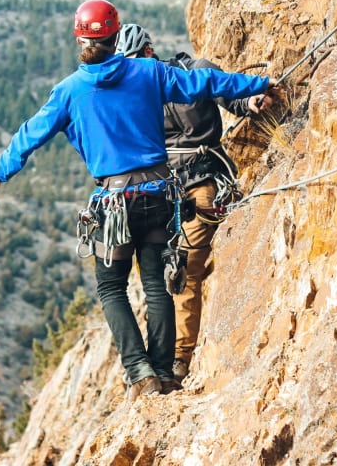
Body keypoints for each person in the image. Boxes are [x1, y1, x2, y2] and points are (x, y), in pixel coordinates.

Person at [0, 0, 276, 401]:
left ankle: (139, 372)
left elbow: (31, 134)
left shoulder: (68, 92)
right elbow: (204, 82)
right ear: (115, 37)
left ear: (79, 38)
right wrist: (258, 84)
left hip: (116, 202)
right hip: (158, 194)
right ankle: (165, 373)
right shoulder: (149, 72)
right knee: (156, 284)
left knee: (112, 288)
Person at [115, 23, 274, 383]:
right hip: (161, 190)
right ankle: (165, 357)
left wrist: (249, 101)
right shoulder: (135, 93)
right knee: (159, 274)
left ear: (149, 53)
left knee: (185, 268)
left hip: (204, 181)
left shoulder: (194, 71)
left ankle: (178, 359)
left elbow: (227, 94)